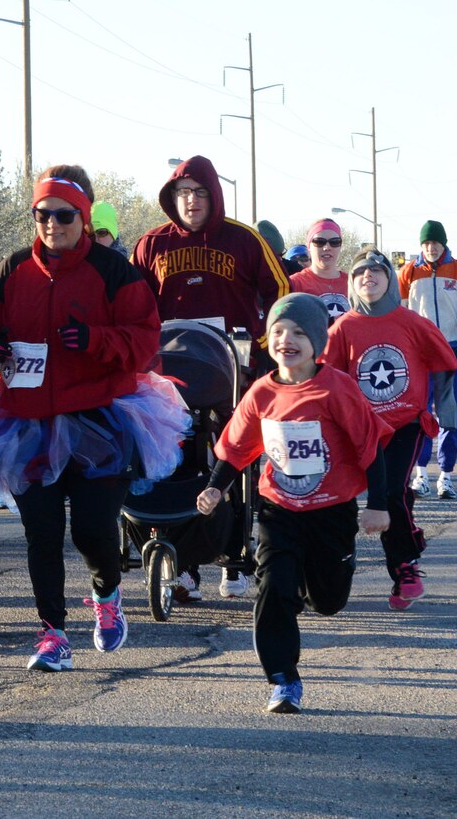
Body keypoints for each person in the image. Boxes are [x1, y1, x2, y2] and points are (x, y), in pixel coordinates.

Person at [0, 172, 188, 673]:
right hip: (24, 422)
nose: (52, 224)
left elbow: (144, 341)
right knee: (41, 534)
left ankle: (106, 593)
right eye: (42, 214)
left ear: (83, 218)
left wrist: (92, 340)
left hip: (99, 419)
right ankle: (53, 635)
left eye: (63, 215)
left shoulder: (113, 270)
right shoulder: (11, 270)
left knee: (91, 529)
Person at [195, 293, 392, 713]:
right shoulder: (262, 393)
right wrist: (215, 487)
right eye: (280, 331)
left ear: (317, 343)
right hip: (279, 509)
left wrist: (378, 504)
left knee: (328, 601)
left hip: (332, 511)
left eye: (300, 333)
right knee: (274, 588)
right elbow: (236, 447)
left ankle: (321, 577)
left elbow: (370, 448)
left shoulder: (337, 388)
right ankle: (283, 679)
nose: (288, 339)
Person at [132, 154, 290, 599]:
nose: (191, 201)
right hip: (168, 377)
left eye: (200, 192)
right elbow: (128, 300)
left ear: (214, 195)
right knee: (173, 462)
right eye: (182, 193)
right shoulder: (151, 244)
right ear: (171, 198)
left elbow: (280, 290)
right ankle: (181, 565)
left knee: (232, 458)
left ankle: (236, 557)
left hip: (232, 373)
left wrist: (263, 345)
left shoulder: (244, 240)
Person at [322, 249, 457, 610]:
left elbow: (445, 363)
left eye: (377, 271)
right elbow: (324, 380)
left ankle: (404, 567)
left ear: (389, 280)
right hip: (358, 430)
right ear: (351, 282)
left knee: (393, 490)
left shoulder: (411, 322)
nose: (369, 276)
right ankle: (323, 571)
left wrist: (446, 412)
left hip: (404, 425)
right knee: (338, 499)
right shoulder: (342, 329)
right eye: (360, 272)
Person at [399, 220, 457, 500]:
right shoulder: (408, 272)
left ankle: (446, 477)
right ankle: (421, 475)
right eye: (426, 244)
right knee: (419, 415)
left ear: (444, 244)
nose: (431, 248)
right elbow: (398, 315)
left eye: (435, 243)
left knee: (450, 416)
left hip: (452, 353)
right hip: (420, 355)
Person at [289, 218, 350, 322]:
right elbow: (277, 312)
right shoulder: (295, 283)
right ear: (309, 246)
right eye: (319, 242)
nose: (327, 247)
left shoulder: (353, 283)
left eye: (334, 242)